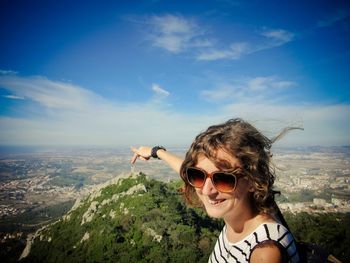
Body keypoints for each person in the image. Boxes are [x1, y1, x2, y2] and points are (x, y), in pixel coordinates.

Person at [131, 118, 299, 263]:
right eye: (197, 176)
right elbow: (185, 168)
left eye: (224, 179)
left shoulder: (265, 252)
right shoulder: (245, 212)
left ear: (252, 181)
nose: (206, 190)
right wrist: (155, 152)